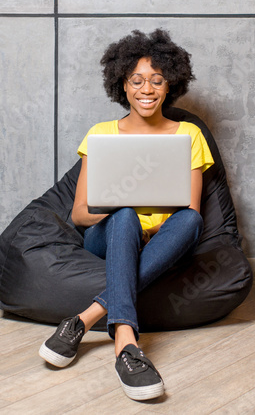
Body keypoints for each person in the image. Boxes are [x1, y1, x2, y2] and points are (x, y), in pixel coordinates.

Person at [38, 29, 214, 401]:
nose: (146, 89)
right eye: (136, 80)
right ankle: (126, 341)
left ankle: (83, 320)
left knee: (192, 222)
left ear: (170, 85)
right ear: (122, 84)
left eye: (156, 80)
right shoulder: (101, 134)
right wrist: (120, 212)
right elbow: (80, 214)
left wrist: (161, 228)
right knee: (124, 213)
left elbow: (192, 210)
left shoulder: (189, 134)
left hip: (165, 238)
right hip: (110, 235)